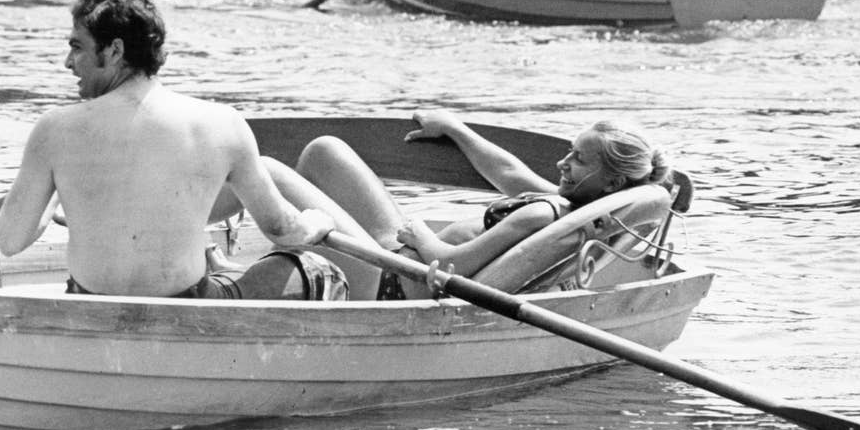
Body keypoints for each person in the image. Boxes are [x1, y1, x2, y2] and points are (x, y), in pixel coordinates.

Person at [0, 0, 347, 302]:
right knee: (321, 271)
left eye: (77, 47)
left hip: (90, 305)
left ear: (115, 51)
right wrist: (318, 222)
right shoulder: (223, 124)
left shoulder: (54, 130)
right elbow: (282, 229)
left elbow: (11, 241)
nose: (67, 62)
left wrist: (56, 185)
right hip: (187, 306)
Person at [263, 109, 669, 301]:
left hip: (395, 282)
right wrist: (456, 129)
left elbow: (452, 267)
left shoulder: (541, 215)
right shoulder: (570, 202)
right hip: (400, 257)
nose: (563, 163)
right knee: (324, 152)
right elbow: (508, 172)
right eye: (569, 150)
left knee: (267, 170)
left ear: (613, 181)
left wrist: (421, 236)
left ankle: (243, 265)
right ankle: (286, 257)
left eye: (578, 159)